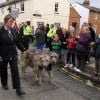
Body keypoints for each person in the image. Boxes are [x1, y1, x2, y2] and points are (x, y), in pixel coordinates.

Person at [0, 14, 26, 96]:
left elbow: (17, 41)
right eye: (10, 21)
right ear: (5, 22)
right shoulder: (0, 31)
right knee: (3, 70)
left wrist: (23, 49)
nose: (12, 23)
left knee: (15, 71)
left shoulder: (14, 30)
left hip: (13, 54)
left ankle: (18, 89)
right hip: (3, 55)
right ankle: (4, 83)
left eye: (12, 21)